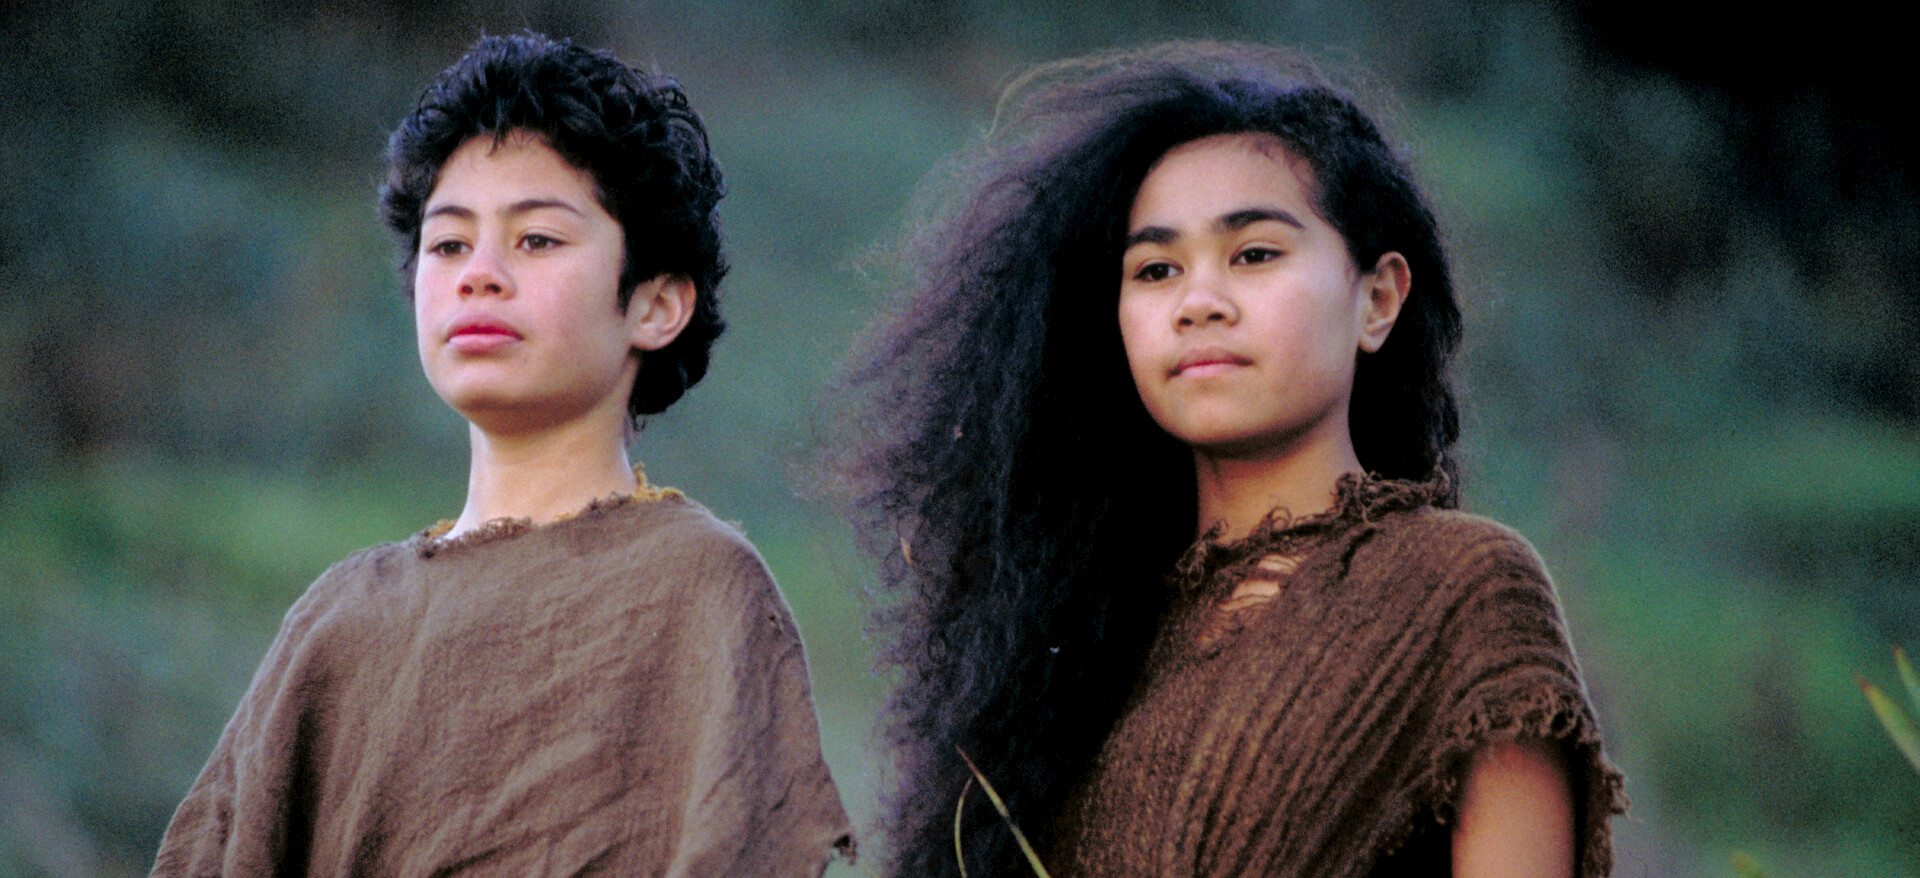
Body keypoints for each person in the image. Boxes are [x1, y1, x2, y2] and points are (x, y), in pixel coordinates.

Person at [830, 43, 1626, 877]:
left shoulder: (1464, 591)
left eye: (1254, 254)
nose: (1198, 303)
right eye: (1156, 269)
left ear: (1378, 299)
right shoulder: (1075, 635)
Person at [151, 32, 852, 876]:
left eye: (538, 240)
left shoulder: (700, 592)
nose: (478, 273)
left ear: (656, 305)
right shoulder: (338, 623)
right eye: (449, 244)